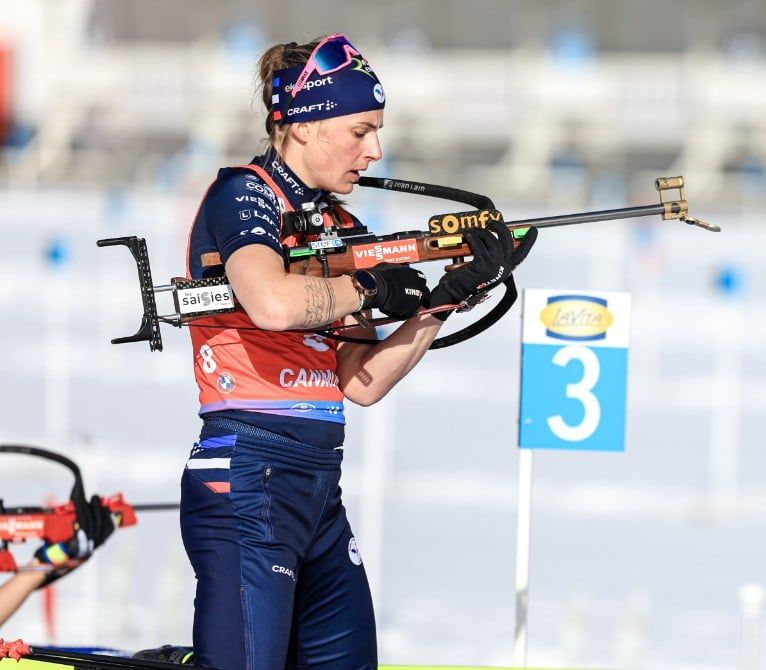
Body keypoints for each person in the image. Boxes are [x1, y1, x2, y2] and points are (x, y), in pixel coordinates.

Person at [179, 34, 535, 670]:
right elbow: (272, 303)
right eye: (360, 130)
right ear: (304, 125)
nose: (374, 150)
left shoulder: (340, 228)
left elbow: (363, 380)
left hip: (318, 487)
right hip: (247, 475)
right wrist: (367, 285)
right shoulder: (245, 194)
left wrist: (443, 301)